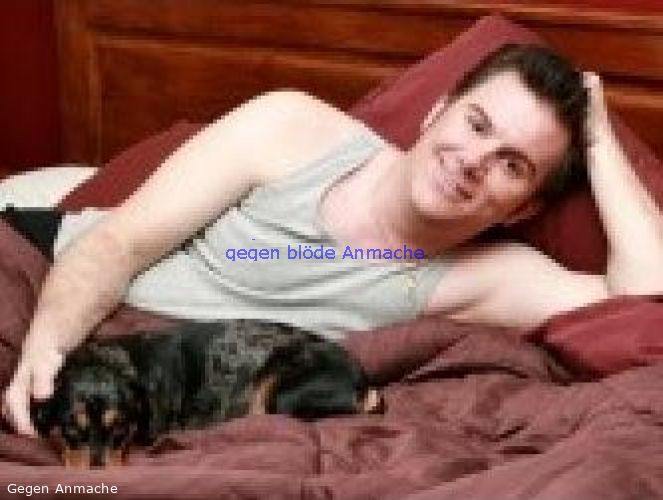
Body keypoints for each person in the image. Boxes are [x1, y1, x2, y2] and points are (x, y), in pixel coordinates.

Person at [3, 45, 663, 437]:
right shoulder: (293, 130)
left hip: (165, 383)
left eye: (512, 164)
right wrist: (48, 346)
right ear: (435, 113)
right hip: (54, 276)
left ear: (525, 209)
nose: (472, 160)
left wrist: (598, 137)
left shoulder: (486, 277)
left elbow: (645, 292)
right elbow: (116, 242)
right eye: (476, 124)